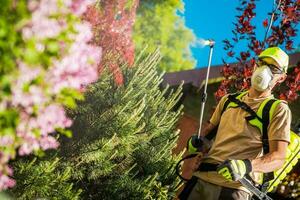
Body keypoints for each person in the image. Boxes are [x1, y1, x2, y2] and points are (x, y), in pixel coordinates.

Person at [184, 47, 291, 200]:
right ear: (255, 65)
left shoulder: (277, 109)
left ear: (281, 78)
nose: (264, 70)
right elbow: (209, 139)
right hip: (202, 178)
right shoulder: (228, 100)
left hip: (234, 188)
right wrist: (198, 144)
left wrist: (246, 166)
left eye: (273, 68)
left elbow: (279, 158)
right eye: (261, 63)